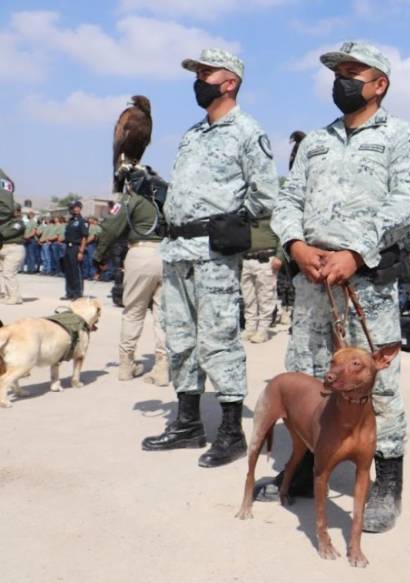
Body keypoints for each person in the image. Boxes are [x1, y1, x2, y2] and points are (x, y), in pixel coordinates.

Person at [273, 41, 410, 533]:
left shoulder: (401, 137)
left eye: (353, 72)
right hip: (314, 282)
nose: (342, 81)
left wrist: (355, 251)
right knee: (307, 378)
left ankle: (385, 481)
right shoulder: (317, 141)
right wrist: (295, 245)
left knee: (373, 384)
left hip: (367, 284)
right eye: (337, 73)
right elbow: (288, 197)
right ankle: (302, 467)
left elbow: (405, 202)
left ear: (379, 83)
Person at [141, 48, 277, 468]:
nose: (198, 80)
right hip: (177, 250)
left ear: (230, 81)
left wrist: (233, 225)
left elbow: (265, 194)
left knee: (218, 340)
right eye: (196, 73)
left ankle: (232, 432)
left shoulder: (247, 131)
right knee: (179, 339)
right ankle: (187, 424)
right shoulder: (192, 134)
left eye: (206, 73)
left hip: (214, 253)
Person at [94, 165, 168, 384]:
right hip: (167, 256)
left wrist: (100, 256)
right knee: (163, 316)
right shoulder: (166, 198)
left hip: (140, 253)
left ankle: (126, 366)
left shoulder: (131, 199)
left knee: (133, 312)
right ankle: (162, 368)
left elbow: (111, 228)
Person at [240, 223, 280, 344]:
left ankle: (262, 330)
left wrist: (280, 257)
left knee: (266, 297)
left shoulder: (271, 216)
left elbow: (283, 236)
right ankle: (250, 328)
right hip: (246, 260)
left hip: (265, 259)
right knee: (248, 298)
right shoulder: (246, 216)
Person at [0, 196, 27, 304]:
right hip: (5, 248)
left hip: (14, 249)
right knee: (5, 274)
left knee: (9, 273)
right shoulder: (6, 222)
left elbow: (7, 233)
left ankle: (15, 297)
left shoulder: (19, 223)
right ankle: (8, 295)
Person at [60, 201, 89, 300]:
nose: (74, 209)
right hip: (68, 247)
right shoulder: (71, 221)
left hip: (76, 248)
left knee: (76, 271)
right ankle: (69, 293)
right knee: (68, 271)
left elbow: (84, 237)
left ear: (80, 208)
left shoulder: (82, 221)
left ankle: (78, 293)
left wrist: (81, 251)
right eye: (72, 208)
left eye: (76, 207)